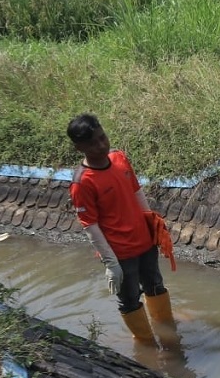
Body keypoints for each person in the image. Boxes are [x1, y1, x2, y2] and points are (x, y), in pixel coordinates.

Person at [67, 114, 178, 349]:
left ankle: (170, 335)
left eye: (102, 138)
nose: (100, 146)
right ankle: (146, 346)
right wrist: (111, 263)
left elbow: (136, 192)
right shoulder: (82, 183)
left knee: (156, 285)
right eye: (92, 143)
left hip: (144, 241)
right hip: (120, 253)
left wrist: (153, 224)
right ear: (79, 148)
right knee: (129, 300)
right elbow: (90, 224)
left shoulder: (119, 158)